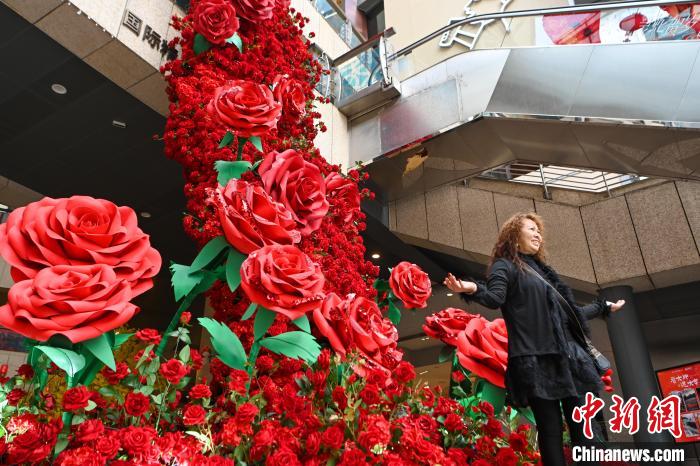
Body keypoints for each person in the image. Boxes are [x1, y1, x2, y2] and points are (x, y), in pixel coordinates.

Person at [444, 212, 625, 466]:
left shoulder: (545, 273)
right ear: (514, 236)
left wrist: (603, 307)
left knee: (584, 430)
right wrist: (471, 288)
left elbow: (570, 315)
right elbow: (495, 298)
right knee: (550, 431)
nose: (538, 234)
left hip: (567, 360)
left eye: (539, 230)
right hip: (536, 362)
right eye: (531, 229)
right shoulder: (504, 265)